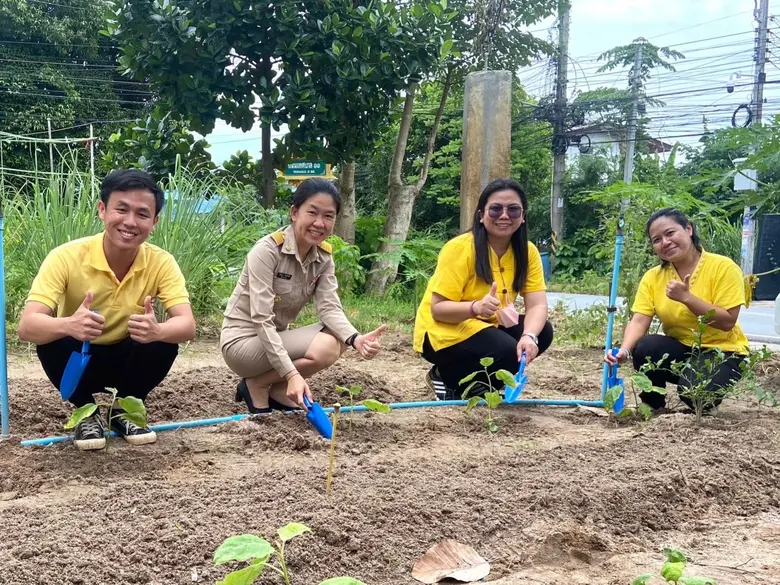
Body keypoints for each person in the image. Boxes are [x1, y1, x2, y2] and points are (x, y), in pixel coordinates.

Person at [18, 169, 196, 450]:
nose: (129, 222)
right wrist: (68, 325)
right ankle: (85, 411)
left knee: (163, 341)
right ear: (102, 210)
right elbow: (28, 326)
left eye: (142, 214)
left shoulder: (162, 262)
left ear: (154, 221)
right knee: (51, 339)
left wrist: (158, 329)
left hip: (127, 357)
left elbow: (187, 326)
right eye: (121, 209)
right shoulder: (65, 257)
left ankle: (124, 410)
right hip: (80, 355)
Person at [221, 178, 386, 414]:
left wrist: (356, 339)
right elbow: (261, 320)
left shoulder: (324, 257)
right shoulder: (267, 251)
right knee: (326, 345)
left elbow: (329, 308)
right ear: (294, 213)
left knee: (338, 336)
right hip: (242, 344)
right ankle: (257, 383)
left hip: (274, 340)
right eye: (312, 213)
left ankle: (275, 390)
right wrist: (292, 374)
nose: (319, 223)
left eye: (328, 216)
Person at [413, 178, 554, 400]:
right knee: (507, 349)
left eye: (513, 210)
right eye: (496, 209)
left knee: (541, 332)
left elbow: (537, 304)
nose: (504, 216)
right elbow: (438, 309)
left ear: (523, 215)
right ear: (481, 215)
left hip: (487, 326)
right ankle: (445, 375)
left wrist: (529, 336)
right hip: (442, 330)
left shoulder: (528, 252)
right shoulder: (460, 248)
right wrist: (475, 307)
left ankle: (474, 386)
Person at [605, 208, 749, 411]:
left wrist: (687, 298)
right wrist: (624, 351)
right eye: (657, 240)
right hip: (681, 348)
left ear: (688, 229)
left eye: (670, 233)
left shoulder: (724, 267)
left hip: (723, 351)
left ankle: (702, 398)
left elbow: (727, 322)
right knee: (646, 346)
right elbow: (640, 319)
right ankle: (653, 406)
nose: (665, 242)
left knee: (694, 394)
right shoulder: (653, 277)